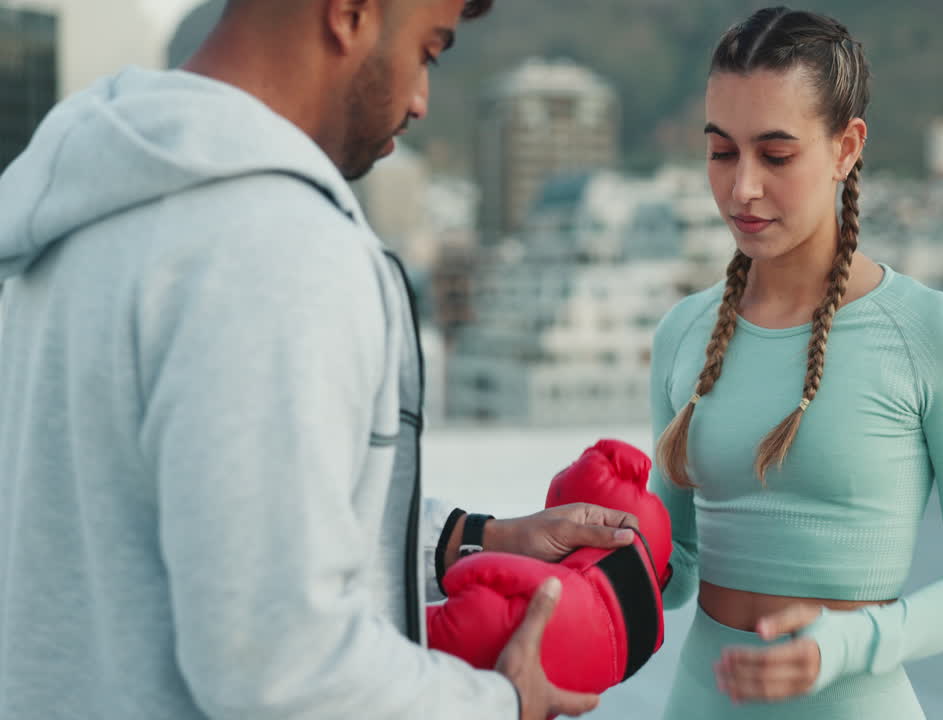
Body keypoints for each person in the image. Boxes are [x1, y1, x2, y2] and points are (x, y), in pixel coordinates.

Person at [0, 1, 633, 719]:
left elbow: (182, 514)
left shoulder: (86, 206)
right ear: (351, 12)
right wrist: (498, 705)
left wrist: (474, 538)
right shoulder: (277, 248)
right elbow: (279, 667)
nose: (422, 100)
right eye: (428, 51)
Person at [648, 7, 943, 718]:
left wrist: (843, 645)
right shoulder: (681, 333)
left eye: (776, 155)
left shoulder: (933, 335)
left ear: (847, 148)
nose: (741, 188)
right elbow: (679, 569)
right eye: (722, 152)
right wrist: (595, 558)